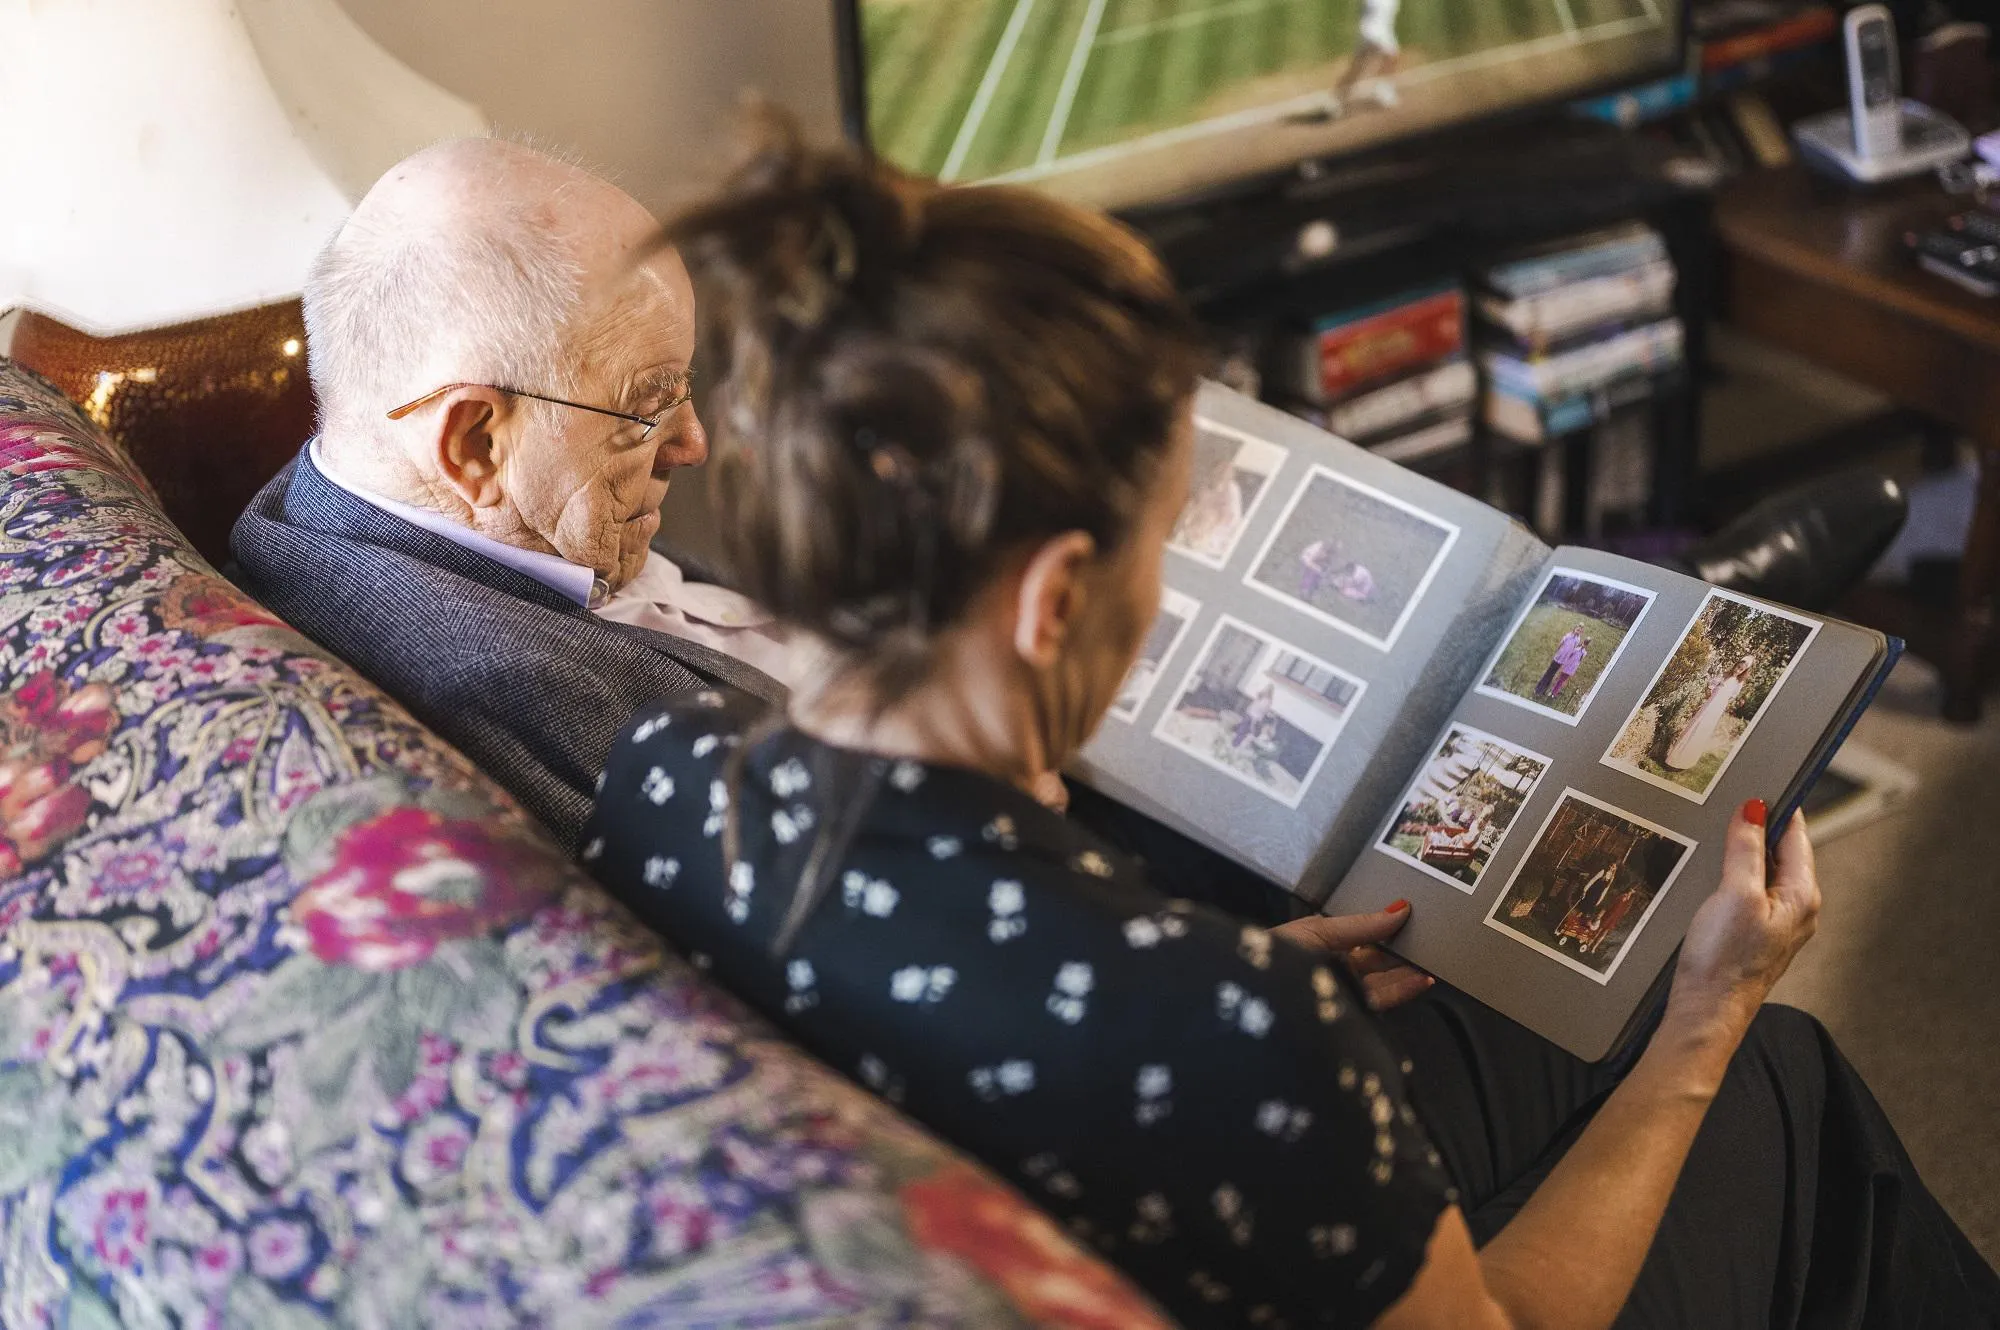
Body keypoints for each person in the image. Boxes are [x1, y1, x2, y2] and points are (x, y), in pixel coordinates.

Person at [583, 132, 2000, 1328]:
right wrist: (1707, 1022)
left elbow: (972, 985)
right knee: (1774, 1078)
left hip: (1056, 1145)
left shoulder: (659, 770)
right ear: (1055, 595)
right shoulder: (1237, 1038)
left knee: (1552, 1011)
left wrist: (1227, 969)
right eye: (1162, 549)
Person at [228, 138, 793, 850]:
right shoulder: (510, 697)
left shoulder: (374, 488)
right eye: (651, 407)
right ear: (473, 445)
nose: (692, 444)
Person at [1665, 654, 1754, 772]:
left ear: (1744, 671)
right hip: (1707, 707)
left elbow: (1731, 697)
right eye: (1737, 667)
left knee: (1701, 732)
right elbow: (1710, 687)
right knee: (1694, 728)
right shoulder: (1724, 675)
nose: (1737, 670)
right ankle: (1674, 760)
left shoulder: (1738, 683)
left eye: (1741, 669)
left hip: (1716, 710)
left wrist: (1722, 701)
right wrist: (1712, 690)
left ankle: (1685, 762)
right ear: (1735, 665)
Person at [1534, 625, 1586, 700]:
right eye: (1577, 629)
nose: (1578, 631)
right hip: (1558, 657)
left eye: (1580, 631)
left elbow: (1572, 650)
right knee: (1548, 673)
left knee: (1552, 674)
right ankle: (1538, 689)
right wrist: (1558, 652)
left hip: (1563, 660)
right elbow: (1561, 644)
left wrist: (1566, 660)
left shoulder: (1577, 639)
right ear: (1574, 629)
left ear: (1581, 632)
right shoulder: (1568, 636)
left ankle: (1543, 690)